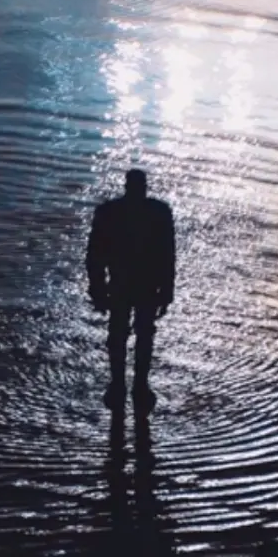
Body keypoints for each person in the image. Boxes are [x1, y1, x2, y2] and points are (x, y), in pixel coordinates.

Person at [86, 168, 175, 411]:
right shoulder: (158, 212)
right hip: (137, 285)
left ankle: (127, 387)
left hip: (129, 284)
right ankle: (132, 387)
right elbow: (167, 255)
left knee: (126, 334)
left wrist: (97, 289)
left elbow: (95, 255)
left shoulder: (110, 212)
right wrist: (167, 291)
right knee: (134, 334)